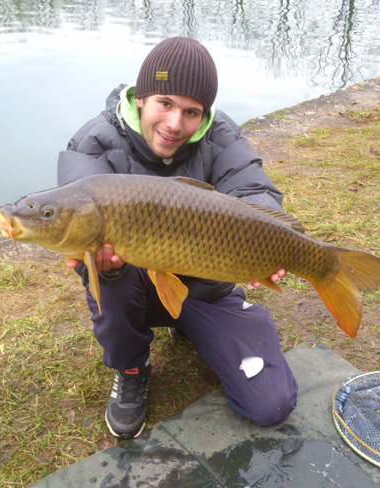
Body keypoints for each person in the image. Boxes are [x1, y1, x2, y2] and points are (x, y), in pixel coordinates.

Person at [57, 36, 298, 439]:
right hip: (132, 286)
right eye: (164, 103)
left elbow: (253, 189)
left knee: (270, 404)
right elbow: (71, 208)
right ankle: (131, 367)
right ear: (140, 98)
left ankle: (199, 323)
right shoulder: (95, 142)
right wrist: (99, 264)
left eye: (191, 112)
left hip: (207, 287)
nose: (174, 124)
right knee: (104, 268)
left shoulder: (220, 135)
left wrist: (271, 245)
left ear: (204, 114)